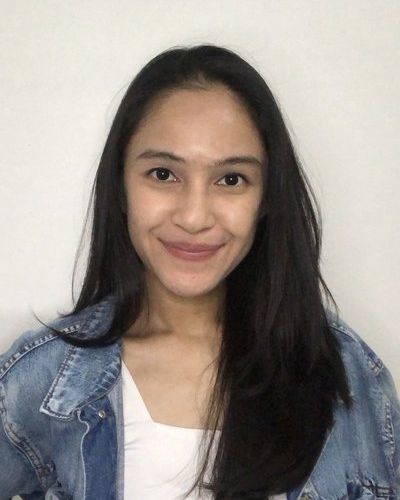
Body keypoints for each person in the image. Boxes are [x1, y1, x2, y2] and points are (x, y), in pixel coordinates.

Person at [0, 44, 399, 500]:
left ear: (266, 198)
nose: (194, 217)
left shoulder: (350, 377)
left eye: (231, 179)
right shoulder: (41, 383)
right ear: (121, 185)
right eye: (163, 174)